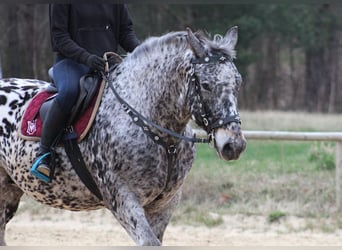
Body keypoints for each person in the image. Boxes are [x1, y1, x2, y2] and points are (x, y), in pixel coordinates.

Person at [30, 4, 140, 183]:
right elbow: (59, 37)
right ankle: (44, 154)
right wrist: (86, 57)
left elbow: (125, 33)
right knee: (68, 93)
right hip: (71, 62)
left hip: (108, 64)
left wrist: (144, 52)